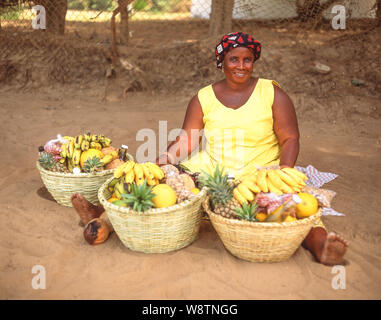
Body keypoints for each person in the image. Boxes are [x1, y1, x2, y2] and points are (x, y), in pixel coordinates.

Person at [155, 32, 348, 266]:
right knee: (167, 188)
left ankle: (321, 246)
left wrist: (283, 172)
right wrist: (167, 156)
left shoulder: (272, 93)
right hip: (213, 169)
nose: (241, 66)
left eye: (247, 60)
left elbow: (290, 138)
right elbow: (188, 138)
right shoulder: (203, 97)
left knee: (295, 205)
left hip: (262, 170)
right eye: (234, 59)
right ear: (222, 62)